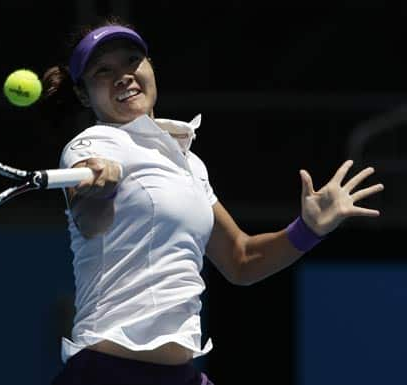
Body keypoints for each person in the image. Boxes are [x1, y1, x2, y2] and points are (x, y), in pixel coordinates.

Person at [41, 16, 384, 385]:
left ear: (150, 67)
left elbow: (241, 259)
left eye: (131, 61)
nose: (123, 75)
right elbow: (90, 221)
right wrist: (101, 188)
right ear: (83, 94)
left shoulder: (188, 163)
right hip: (107, 372)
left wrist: (309, 229)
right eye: (103, 71)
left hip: (181, 376)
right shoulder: (90, 145)